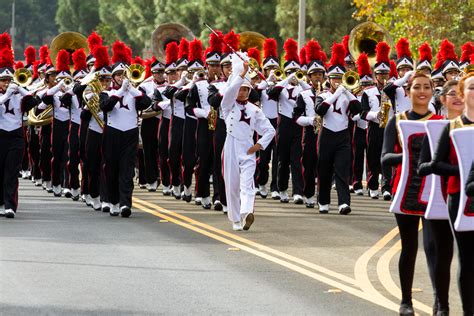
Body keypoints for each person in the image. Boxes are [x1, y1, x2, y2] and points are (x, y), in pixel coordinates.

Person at [381, 72, 443, 315]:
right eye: (416, 87)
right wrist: (410, 155)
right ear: (407, 92)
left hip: (432, 191)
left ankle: (440, 300)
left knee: (433, 246)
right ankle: (406, 301)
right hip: (405, 189)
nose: (422, 91)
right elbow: (385, 158)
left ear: (431, 92)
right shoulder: (396, 120)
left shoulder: (440, 121)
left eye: (427, 87)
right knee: (408, 246)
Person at [431, 72, 474, 315]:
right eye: (471, 88)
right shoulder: (451, 128)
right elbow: (436, 164)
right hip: (459, 198)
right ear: (461, 93)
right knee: (467, 258)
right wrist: (464, 170)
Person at [221, 58, 275, 231]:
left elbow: (270, 130)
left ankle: (247, 213)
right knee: (232, 185)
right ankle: (235, 219)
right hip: (230, 146)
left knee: (248, 184)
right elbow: (228, 93)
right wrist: (242, 73)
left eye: (245, 89)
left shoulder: (255, 110)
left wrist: (258, 145)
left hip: (248, 148)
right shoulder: (227, 106)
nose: (242, 92)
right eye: (240, 89)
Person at [99, 41, 151, 217]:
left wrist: (132, 90)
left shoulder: (135, 92)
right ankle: (113, 201)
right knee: (112, 169)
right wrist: (120, 91)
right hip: (112, 133)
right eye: (118, 74)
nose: (122, 77)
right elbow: (106, 107)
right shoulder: (106, 93)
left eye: (124, 74)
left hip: (130, 133)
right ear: (113, 77)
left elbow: (147, 103)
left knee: (127, 170)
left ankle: (125, 203)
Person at [315, 43, 361, 214]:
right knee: (324, 170)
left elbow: (358, 110)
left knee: (342, 169)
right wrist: (335, 94)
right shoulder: (323, 96)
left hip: (343, 136)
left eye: (339, 78)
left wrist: (347, 92)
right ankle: (324, 202)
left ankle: (343, 202)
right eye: (333, 78)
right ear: (329, 79)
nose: (336, 81)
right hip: (326, 135)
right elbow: (320, 110)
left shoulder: (348, 96)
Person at [0, 42, 39, 218]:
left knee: (11, 171)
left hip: (15, 136)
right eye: (3, 80)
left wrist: (22, 90)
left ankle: (10, 205)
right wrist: (6, 95)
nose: (6, 84)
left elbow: (35, 102)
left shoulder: (18, 94)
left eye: (8, 80)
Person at [267, 38, 308, 204]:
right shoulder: (281, 86)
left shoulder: (302, 87)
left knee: (297, 160)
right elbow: (271, 93)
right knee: (282, 159)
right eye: (290, 71)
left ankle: (298, 191)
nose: (293, 74)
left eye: (295, 71)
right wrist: (286, 79)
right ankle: (282, 188)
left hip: (298, 125)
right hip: (283, 124)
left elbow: (312, 92)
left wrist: (300, 79)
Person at [293, 39, 325, 208]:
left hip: (326, 133)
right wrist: (311, 120)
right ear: (309, 77)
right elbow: (296, 117)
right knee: (309, 163)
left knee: (324, 166)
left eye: (320, 74)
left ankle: (322, 197)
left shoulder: (328, 94)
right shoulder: (304, 95)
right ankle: (309, 194)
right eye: (314, 75)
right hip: (310, 133)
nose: (318, 77)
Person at [361, 41, 393, 200]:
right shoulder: (368, 92)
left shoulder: (394, 90)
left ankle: (387, 187)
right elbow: (362, 113)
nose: (383, 77)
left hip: (389, 127)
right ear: (375, 75)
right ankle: (373, 186)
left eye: (386, 74)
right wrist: (375, 115)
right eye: (380, 74)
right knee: (373, 157)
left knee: (387, 156)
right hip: (374, 127)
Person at [42, 50, 72, 197]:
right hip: (58, 125)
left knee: (68, 156)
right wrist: (57, 87)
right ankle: (56, 183)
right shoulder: (53, 93)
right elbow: (45, 98)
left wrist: (69, 89)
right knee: (57, 155)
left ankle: (67, 184)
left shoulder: (72, 92)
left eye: (67, 79)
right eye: (62, 79)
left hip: (70, 125)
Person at [255, 38, 280, 200]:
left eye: (275, 68)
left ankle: (276, 187)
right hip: (264, 124)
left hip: (279, 123)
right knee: (263, 158)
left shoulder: (283, 85)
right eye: (268, 68)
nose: (272, 71)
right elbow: (255, 93)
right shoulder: (260, 85)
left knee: (278, 157)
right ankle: (261, 183)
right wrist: (267, 82)